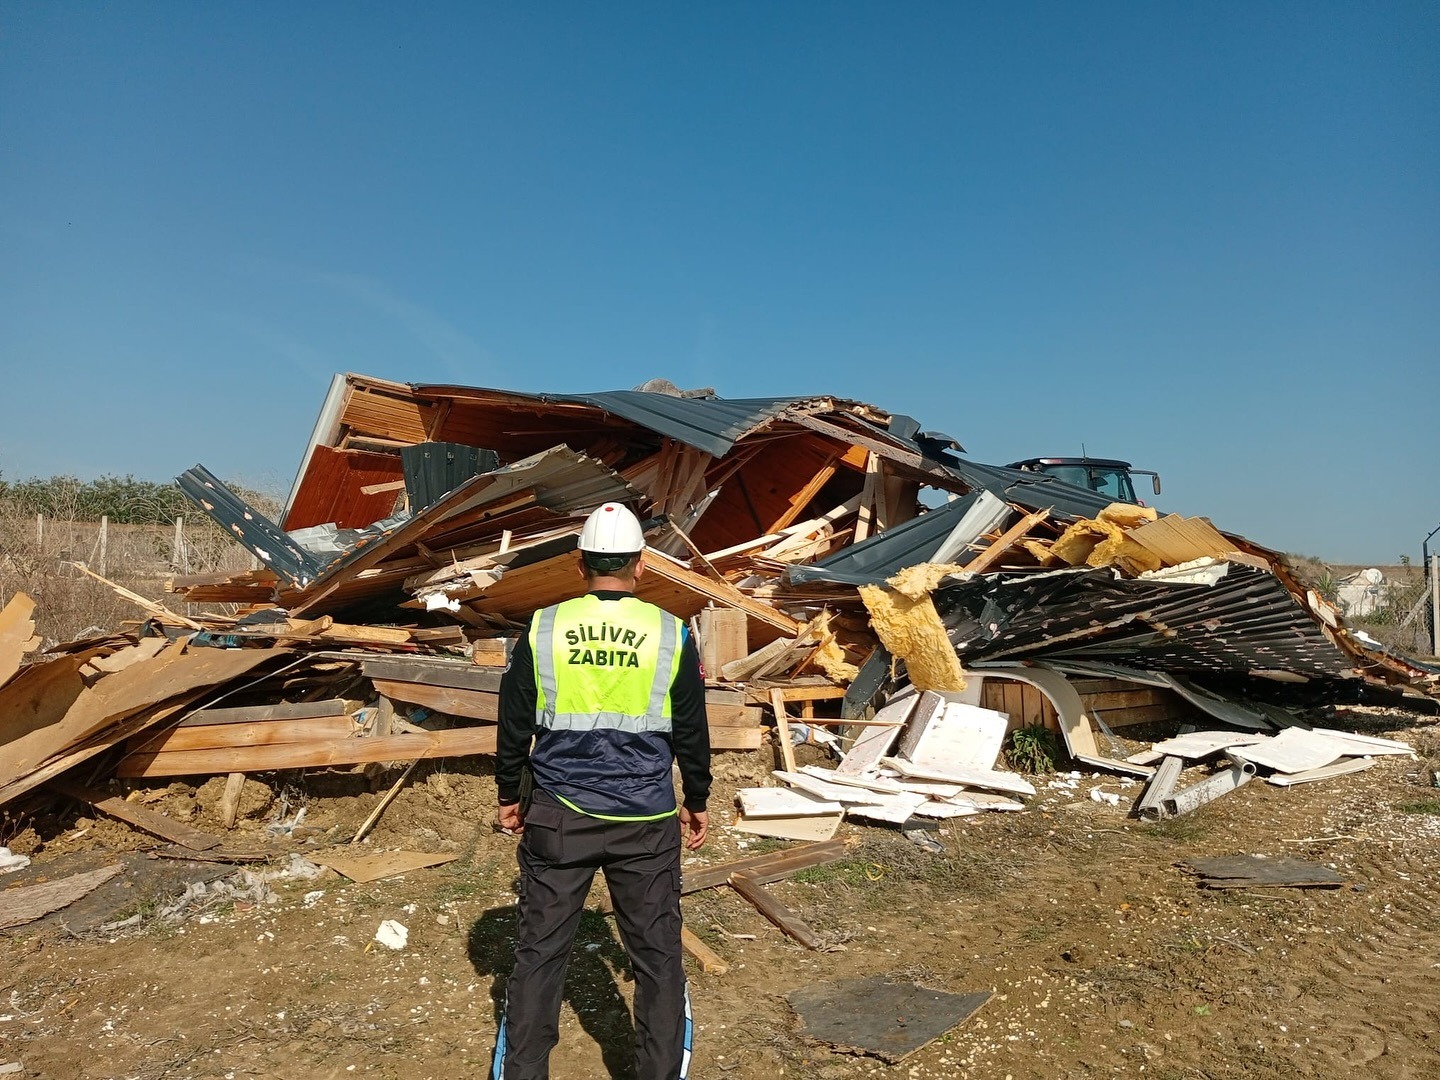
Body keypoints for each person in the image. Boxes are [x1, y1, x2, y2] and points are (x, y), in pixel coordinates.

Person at [491, 502, 711, 1080]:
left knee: (539, 953)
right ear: (641, 565)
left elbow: (513, 720)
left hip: (559, 815)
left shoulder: (543, 627)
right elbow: (691, 724)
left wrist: (508, 792)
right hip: (645, 817)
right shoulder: (671, 632)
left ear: (579, 563)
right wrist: (697, 798)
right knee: (658, 956)